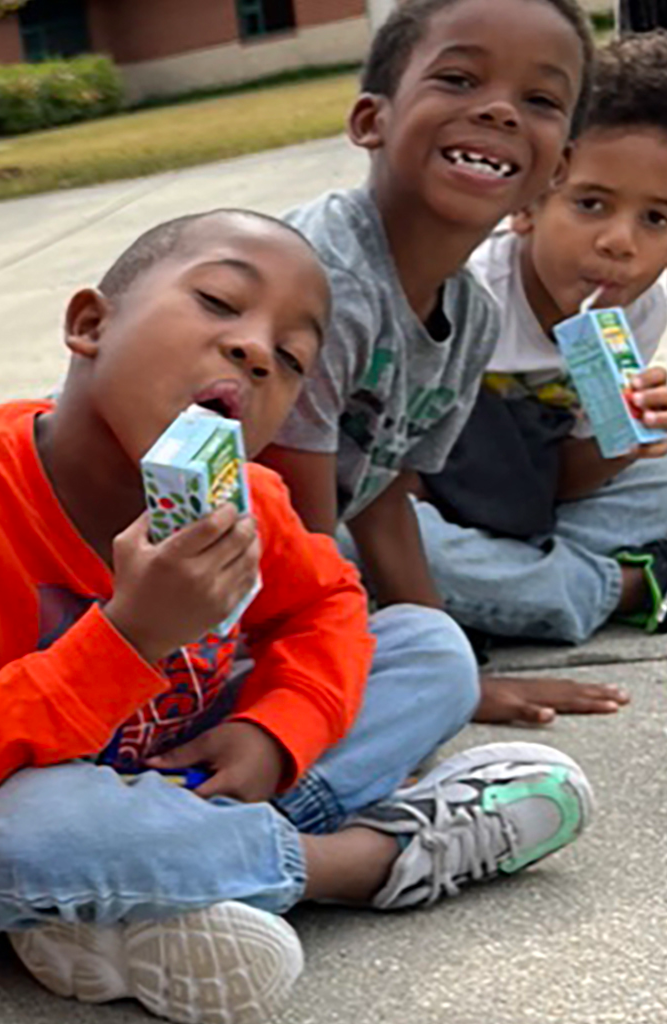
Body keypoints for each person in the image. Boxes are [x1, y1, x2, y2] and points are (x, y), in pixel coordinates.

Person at [0, 208, 593, 1024]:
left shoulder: (249, 500)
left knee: (429, 647)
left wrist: (275, 733)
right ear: (90, 324)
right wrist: (130, 636)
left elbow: (329, 608)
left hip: (174, 775)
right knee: (39, 834)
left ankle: (133, 902)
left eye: (293, 359)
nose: (257, 350)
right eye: (221, 303)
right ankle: (357, 862)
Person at [256, 0, 608, 724]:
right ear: (370, 122)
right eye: (457, 80)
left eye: (540, 100)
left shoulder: (471, 316)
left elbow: (383, 495)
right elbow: (303, 535)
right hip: (134, 556)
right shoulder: (324, 279)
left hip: (284, 561)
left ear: (559, 165)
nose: (500, 112)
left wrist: (447, 663)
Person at [417, 32, 667, 646]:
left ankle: (502, 591)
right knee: (358, 537)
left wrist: (622, 443)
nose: (620, 242)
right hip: (430, 498)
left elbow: (563, 483)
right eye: (592, 204)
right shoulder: (465, 296)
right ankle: (622, 588)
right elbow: (389, 473)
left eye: (655, 219)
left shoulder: (637, 313)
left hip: (527, 505)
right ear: (529, 204)